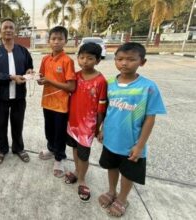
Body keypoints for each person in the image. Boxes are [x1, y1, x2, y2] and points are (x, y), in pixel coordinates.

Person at [97, 42, 166, 217]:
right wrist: (102, 128)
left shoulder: (148, 87)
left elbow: (150, 118)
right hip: (111, 139)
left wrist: (140, 145)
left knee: (128, 173)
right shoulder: (110, 83)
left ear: (142, 62)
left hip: (132, 143)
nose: (124, 63)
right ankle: (112, 191)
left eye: (131, 59)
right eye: (120, 59)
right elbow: (107, 109)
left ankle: (122, 198)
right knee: (111, 167)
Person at [0, 18, 33, 164]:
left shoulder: (23, 51)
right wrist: (11, 77)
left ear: (15, 31)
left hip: (19, 95)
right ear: (0, 31)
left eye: (11, 27)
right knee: (1, 124)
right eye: (5, 27)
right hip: (2, 95)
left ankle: (18, 148)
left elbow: (29, 67)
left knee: (18, 123)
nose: (8, 30)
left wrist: (30, 71)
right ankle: (2, 149)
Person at [64, 42, 108, 202]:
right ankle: (76, 172)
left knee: (84, 155)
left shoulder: (101, 81)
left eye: (89, 58)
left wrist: (99, 127)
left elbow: (102, 107)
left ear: (98, 60)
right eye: (81, 57)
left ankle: (82, 179)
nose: (84, 61)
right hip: (73, 123)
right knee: (75, 149)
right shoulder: (75, 76)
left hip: (87, 127)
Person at [37, 26, 76, 178]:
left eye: (60, 39)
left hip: (61, 105)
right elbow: (42, 79)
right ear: (49, 41)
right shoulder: (45, 59)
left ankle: (59, 158)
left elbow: (71, 86)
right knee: (49, 130)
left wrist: (49, 81)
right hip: (47, 102)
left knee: (60, 133)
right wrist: (33, 76)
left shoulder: (67, 61)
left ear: (66, 41)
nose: (56, 42)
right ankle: (51, 149)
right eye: (53, 39)